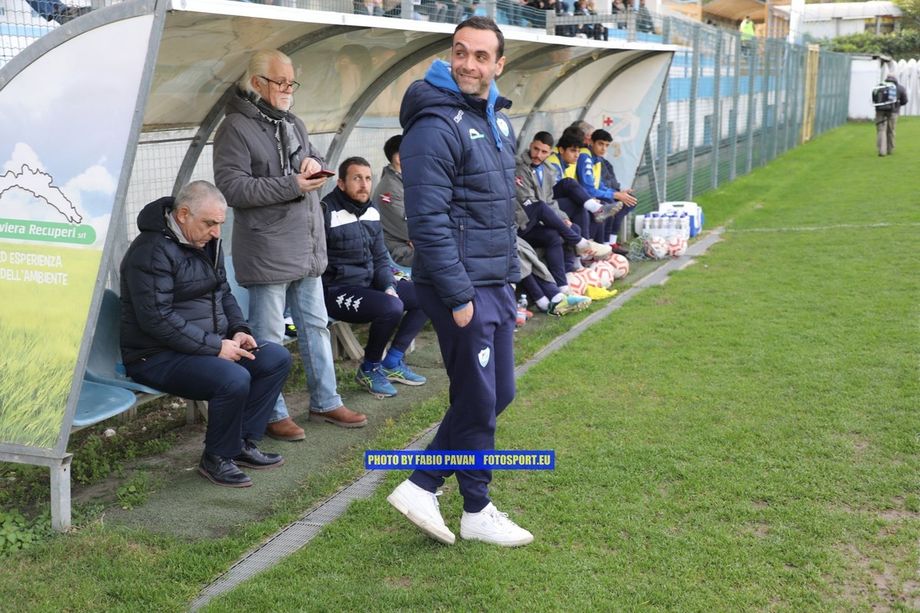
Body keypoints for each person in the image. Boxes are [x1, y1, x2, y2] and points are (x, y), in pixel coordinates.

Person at [386, 17, 534, 547]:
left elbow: (495, 208)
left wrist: (509, 281)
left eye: (480, 56)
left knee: (497, 394)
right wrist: (458, 295)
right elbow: (427, 219)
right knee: (476, 399)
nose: (468, 64)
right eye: (460, 52)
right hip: (461, 285)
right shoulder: (433, 123)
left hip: (493, 278)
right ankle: (475, 506)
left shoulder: (495, 118)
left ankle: (424, 483)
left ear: (499, 64)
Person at [213, 49, 367, 438]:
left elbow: (311, 159)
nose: (287, 89)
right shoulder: (234, 127)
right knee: (268, 338)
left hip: (306, 246)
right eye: (280, 82)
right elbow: (232, 187)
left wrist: (313, 166)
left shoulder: (292, 122)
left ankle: (327, 403)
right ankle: (270, 412)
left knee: (315, 327)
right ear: (257, 83)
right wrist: (292, 184)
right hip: (267, 251)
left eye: (291, 82)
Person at [119, 181, 292, 488]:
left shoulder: (207, 241)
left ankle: (241, 444)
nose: (216, 233)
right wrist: (215, 347)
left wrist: (239, 330)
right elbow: (156, 319)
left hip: (202, 347)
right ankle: (216, 458)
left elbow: (223, 292)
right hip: (155, 355)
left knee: (275, 358)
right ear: (183, 214)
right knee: (233, 377)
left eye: (220, 225)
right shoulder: (150, 252)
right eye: (210, 224)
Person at [321, 156, 429, 398]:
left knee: (426, 295)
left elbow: (381, 258)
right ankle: (369, 369)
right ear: (341, 183)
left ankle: (393, 361)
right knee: (391, 307)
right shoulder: (325, 212)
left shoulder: (371, 210)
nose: (364, 184)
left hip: (370, 284)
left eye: (368, 178)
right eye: (356, 178)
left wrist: (389, 285)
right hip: (337, 290)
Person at [515, 131, 611, 289]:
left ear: (550, 152)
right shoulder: (519, 167)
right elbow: (531, 204)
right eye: (536, 149)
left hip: (539, 220)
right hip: (522, 223)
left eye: (544, 151)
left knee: (566, 230)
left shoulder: (546, 170)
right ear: (530, 145)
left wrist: (562, 218)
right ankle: (582, 242)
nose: (538, 155)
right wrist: (556, 220)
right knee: (545, 205)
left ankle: (563, 288)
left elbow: (550, 201)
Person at [575, 128, 637, 248]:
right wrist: (615, 195)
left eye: (606, 145)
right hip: (579, 198)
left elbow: (599, 185)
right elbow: (588, 189)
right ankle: (597, 247)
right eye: (600, 144)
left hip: (588, 196)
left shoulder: (596, 159)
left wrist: (617, 192)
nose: (603, 148)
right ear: (591, 142)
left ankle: (607, 245)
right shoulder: (585, 157)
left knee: (620, 203)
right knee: (607, 206)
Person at [373, 134, 414, 268]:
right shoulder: (389, 189)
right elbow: (407, 228)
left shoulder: (405, 179)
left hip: (412, 244)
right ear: (397, 158)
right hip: (399, 250)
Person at [876, 75, 908, 157]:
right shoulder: (900, 88)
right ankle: (890, 149)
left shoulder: (880, 86)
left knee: (881, 130)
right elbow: (905, 101)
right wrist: (898, 105)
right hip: (893, 111)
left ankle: (882, 151)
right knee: (891, 130)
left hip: (880, 111)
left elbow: (875, 97)